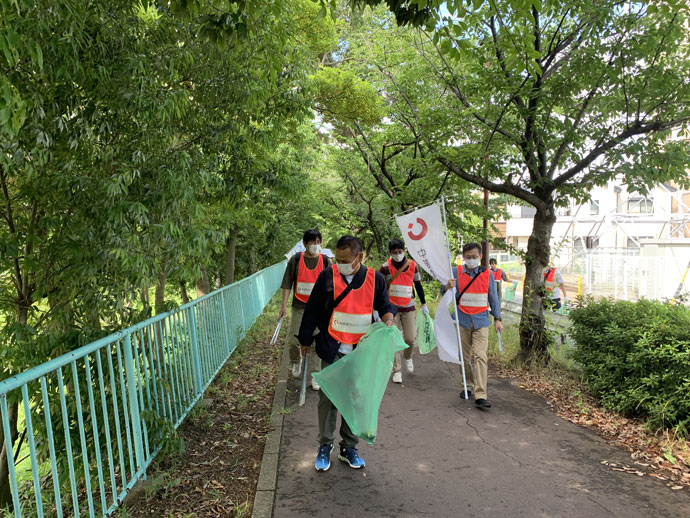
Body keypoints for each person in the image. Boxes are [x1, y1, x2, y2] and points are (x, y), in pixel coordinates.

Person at [298, 235, 396, 471]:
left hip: (359, 350)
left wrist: (389, 320)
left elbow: (385, 305)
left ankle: (349, 447)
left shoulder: (375, 279)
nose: (340, 264)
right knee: (329, 397)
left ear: (359, 257)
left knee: (354, 398)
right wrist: (304, 340)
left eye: (345, 260)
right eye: (337, 259)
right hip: (332, 345)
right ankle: (324, 445)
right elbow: (312, 309)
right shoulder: (327, 276)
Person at [445, 242, 503, 409]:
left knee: (480, 355)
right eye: (468, 257)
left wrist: (498, 318)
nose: (471, 260)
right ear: (464, 257)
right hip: (462, 320)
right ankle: (467, 385)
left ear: (480, 257)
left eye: (474, 257)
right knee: (465, 357)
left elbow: (493, 297)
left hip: (481, 321)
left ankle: (481, 394)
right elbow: (444, 292)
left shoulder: (487, 274)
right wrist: (447, 286)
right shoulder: (455, 272)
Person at [279, 229, 330, 389]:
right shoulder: (296, 260)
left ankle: (315, 375)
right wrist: (283, 306)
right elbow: (287, 283)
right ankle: (296, 361)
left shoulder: (326, 261)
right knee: (294, 341)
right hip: (299, 306)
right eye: (312, 242)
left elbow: (333, 284)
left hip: (320, 309)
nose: (316, 245)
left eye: (318, 242)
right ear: (305, 243)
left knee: (317, 342)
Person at [379, 238, 428, 384]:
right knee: (394, 340)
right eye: (394, 252)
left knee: (410, 339)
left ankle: (407, 357)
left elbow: (418, 285)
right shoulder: (385, 267)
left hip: (408, 307)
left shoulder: (413, 266)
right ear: (390, 252)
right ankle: (397, 371)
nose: (397, 254)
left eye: (400, 252)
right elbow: (380, 288)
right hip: (391, 310)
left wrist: (424, 303)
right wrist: (378, 309)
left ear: (404, 251)